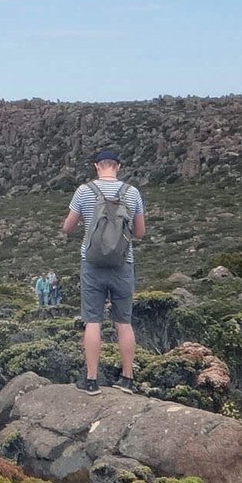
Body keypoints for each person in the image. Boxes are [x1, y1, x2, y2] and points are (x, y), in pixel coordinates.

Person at [61, 150, 145, 394]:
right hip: (123, 264)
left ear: (97, 166)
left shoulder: (84, 191)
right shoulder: (132, 193)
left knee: (93, 321)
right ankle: (127, 379)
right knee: (124, 323)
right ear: (118, 166)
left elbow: (68, 227)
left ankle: (91, 380)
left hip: (92, 264)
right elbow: (140, 233)